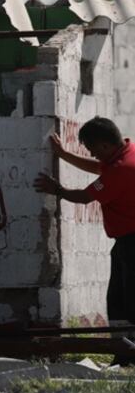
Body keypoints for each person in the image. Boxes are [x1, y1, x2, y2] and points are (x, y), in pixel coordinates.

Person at [34, 117, 135, 347]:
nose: (93, 154)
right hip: (126, 242)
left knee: (126, 303)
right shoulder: (127, 152)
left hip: (131, 242)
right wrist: (62, 154)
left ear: (105, 145)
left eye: (93, 150)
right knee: (118, 300)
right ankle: (124, 351)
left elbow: (85, 196)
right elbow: (98, 166)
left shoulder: (120, 170)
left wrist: (56, 189)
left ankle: (128, 352)